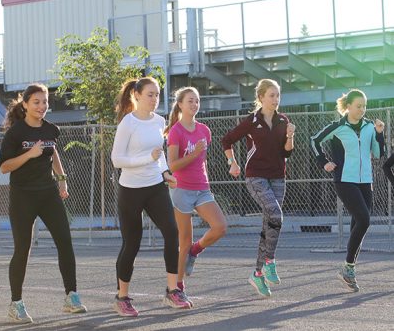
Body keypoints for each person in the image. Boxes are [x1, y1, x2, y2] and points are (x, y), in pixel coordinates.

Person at [0, 83, 86, 323]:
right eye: (36, 102)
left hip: (48, 194)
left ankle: (72, 296)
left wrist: (62, 179)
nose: (41, 106)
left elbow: (52, 150)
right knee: (22, 249)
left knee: (65, 243)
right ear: (25, 104)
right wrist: (29, 154)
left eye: (45, 102)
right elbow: (4, 166)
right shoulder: (15, 133)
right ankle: (16, 303)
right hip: (23, 196)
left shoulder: (51, 129)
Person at [111, 77, 191, 317]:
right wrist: (147, 159)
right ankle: (122, 297)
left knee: (171, 232)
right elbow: (117, 160)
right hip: (131, 190)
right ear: (136, 95)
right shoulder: (128, 123)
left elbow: (160, 154)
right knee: (131, 244)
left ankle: (172, 291)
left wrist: (165, 172)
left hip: (155, 186)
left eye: (157, 95)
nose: (155, 99)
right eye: (150, 94)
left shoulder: (159, 120)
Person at [221, 79, 295, 298]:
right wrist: (232, 163)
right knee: (276, 214)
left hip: (278, 177)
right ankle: (270, 262)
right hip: (256, 176)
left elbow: (287, 153)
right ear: (261, 97)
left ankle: (257, 273)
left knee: (269, 225)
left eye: (277, 95)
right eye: (271, 95)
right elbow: (227, 140)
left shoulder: (283, 120)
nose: (275, 99)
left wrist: (290, 135)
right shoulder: (252, 121)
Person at [311, 89, 384, 292]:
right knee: (364, 219)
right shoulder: (338, 127)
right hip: (344, 180)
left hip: (365, 181)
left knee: (358, 223)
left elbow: (379, 154)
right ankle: (349, 268)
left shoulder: (370, 126)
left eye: (364, 106)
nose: (362, 109)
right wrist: (323, 162)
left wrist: (379, 135)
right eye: (358, 106)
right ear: (349, 106)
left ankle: (348, 270)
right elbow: (314, 140)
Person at [164, 87, 227, 305]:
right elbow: (172, 165)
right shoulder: (176, 131)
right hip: (181, 189)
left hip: (202, 188)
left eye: (197, 101)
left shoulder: (204, 130)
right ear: (180, 104)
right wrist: (193, 153)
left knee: (220, 227)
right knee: (183, 239)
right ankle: (178, 287)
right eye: (190, 101)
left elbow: (204, 161)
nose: (194, 105)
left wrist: (205, 177)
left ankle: (195, 250)